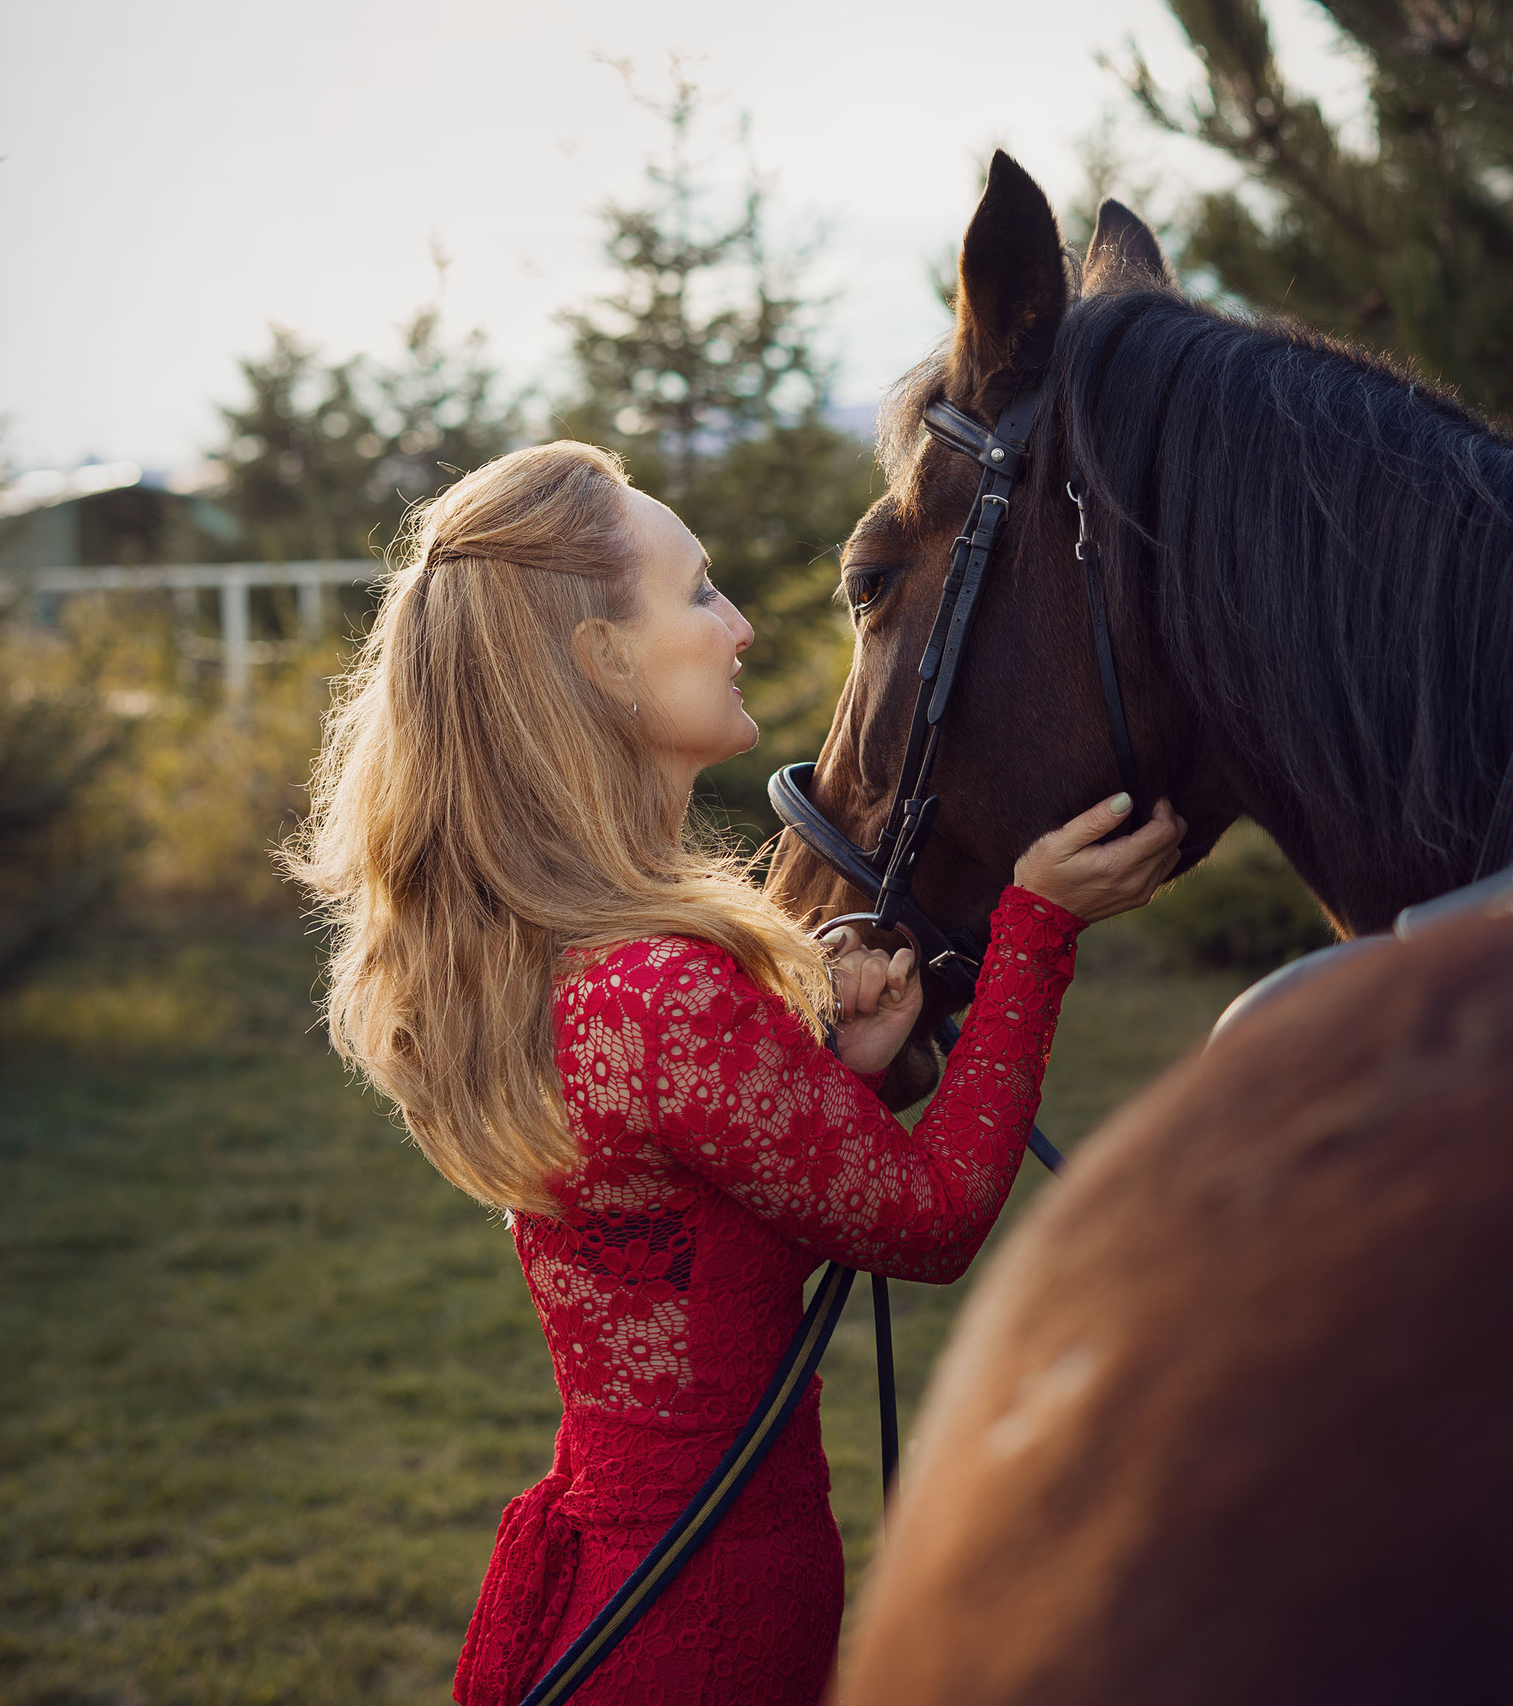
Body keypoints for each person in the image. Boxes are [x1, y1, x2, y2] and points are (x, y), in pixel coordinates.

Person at [287, 441, 1186, 1705]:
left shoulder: (558, 964)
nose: (742, 623)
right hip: (707, 1607)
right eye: (700, 591)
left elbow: (690, 1248)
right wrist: (1035, 928)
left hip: (620, 1556)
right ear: (601, 661)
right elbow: (930, 1221)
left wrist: (835, 1086)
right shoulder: (660, 992)